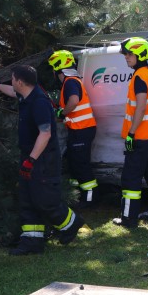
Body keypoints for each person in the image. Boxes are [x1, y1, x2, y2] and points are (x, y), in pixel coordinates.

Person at [0, 65, 87, 254]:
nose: (11, 82)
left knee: (44, 200)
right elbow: (11, 91)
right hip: (29, 156)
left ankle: (72, 223)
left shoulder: (39, 102)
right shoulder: (25, 95)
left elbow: (45, 134)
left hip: (42, 159)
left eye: (12, 79)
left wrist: (31, 160)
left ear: (19, 81)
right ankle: (32, 242)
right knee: (28, 198)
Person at [113, 37, 148, 228]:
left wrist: (131, 133)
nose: (126, 58)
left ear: (140, 54)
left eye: (129, 54)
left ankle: (128, 219)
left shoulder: (139, 77)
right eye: (126, 54)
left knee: (130, 177)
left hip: (140, 136)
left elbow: (141, 107)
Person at [48, 50, 99, 207]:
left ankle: (90, 199)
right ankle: (77, 196)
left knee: (81, 165)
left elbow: (74, 101)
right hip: (79, 129)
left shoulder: (70, 82)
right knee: (74, 163)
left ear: (58, 67)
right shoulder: (72, 81)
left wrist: (62, 113)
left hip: (82, 130)